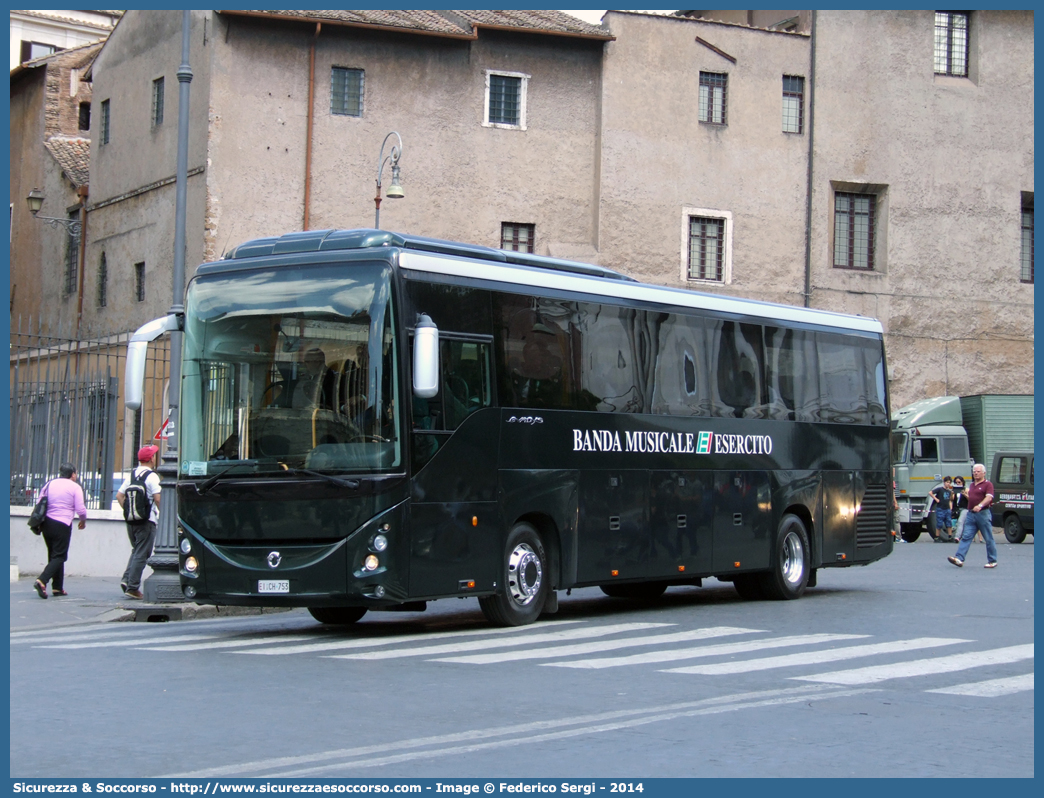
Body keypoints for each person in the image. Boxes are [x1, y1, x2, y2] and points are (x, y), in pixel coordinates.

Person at [33, 462, 87, 599]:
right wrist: (83, 520)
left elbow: (40, 501)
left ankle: (57, 587)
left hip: (47, 523)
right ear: (73, 474)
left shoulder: (49, 484)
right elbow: (80, 508)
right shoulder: (75, 487)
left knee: (53, 555)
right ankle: (42, 580)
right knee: (60, 556)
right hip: (62, 524)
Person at [116, 445, 163, 599]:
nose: (155, 458)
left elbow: (119, 496)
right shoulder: (152, 476)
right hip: (146, 522)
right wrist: (163, 514)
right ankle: (133, 586)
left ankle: (127, 579)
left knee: (136, 550)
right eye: (154, 455)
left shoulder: (132, 475)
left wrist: (129, 512)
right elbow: (157, 498)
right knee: (142, 553)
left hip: (131, 522)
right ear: (150, 459)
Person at [948, 462, 997, 569]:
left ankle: (992, 560)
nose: (976, 474)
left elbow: (989, 497)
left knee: (988, 538)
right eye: (974, 472)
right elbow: (972, 499)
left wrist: (980, 505)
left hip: (983, 513)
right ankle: (959, 558)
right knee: (966, 537)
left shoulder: (988, 484)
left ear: (984, 473)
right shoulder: (971, 485)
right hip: (971, 513)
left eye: (978, 472)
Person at [930, 477, 955, 542]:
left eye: (949, 483)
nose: (948, 484)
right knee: (939, 523)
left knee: (949, 523)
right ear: (944, 482)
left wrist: (952, 494)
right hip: (940, 508)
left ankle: (950, 537)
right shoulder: (940, 489)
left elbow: (951, 499)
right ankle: (937, 537)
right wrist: (936, 499)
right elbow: (930, 493)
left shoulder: (949, 491)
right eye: (947, 482)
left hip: (947, 508)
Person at [951, 475, 969, 543]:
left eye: (959, 482)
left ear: (962, 482)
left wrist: (964, 494)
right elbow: (952, 499)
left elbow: (970, 499)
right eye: (956, 482)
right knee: (956, 523)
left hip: (965, 508)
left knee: (960, 521)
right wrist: (952, 494)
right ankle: (962, 536)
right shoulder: (955, 490)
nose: (958, 484)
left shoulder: (966, 489)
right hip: (957, 508)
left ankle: (957, 537)